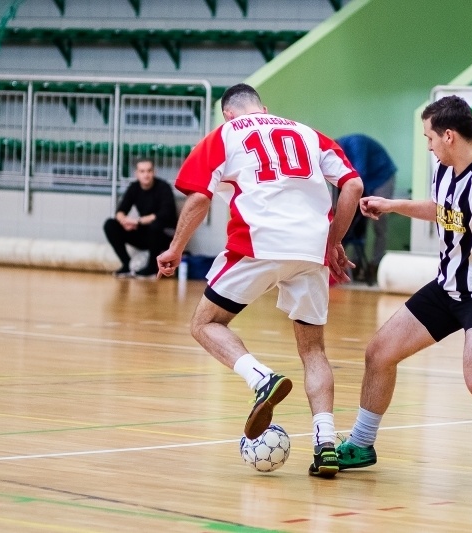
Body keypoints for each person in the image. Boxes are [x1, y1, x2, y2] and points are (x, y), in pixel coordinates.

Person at [335, 95, 472, 495]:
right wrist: (393, 205)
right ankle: (361, 445)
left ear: (448, 136)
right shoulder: (444, 168)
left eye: (430, 138)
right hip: (447, 286)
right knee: (379, 352)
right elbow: (441, 209)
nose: (428, 145)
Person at [156, 83, 363, 478]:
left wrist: (176, 248)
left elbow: (199, 197)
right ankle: (325, 443)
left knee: (204, 323)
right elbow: (352, 185)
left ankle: (262, 379)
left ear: (228, 114)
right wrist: (334, 241)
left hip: (259, 243)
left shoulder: (225, 134)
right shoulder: (307, 133)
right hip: (310, 249)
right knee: (313, 350)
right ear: (264, 107)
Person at [336, 134, 397, 285]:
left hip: (382, 177)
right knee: (356, 222)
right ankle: (356, 265)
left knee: (379, 222)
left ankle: (375, 265)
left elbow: (359, 174)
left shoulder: (356, 144)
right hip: (365, 181)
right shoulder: (339, 152)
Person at [103, 157, 178, 279]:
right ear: (136, 174)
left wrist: (137, 221)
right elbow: (120, 211)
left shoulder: (163, 187)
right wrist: (124, 221)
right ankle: (126, 264)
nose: (146, 175)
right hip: (145, 234)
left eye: (149, 171)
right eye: (142, 171)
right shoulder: (134, 187)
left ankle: (152, 268)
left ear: (154, 172)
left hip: (164, 236)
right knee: (110, 224)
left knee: (155, 225)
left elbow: (165, 213)